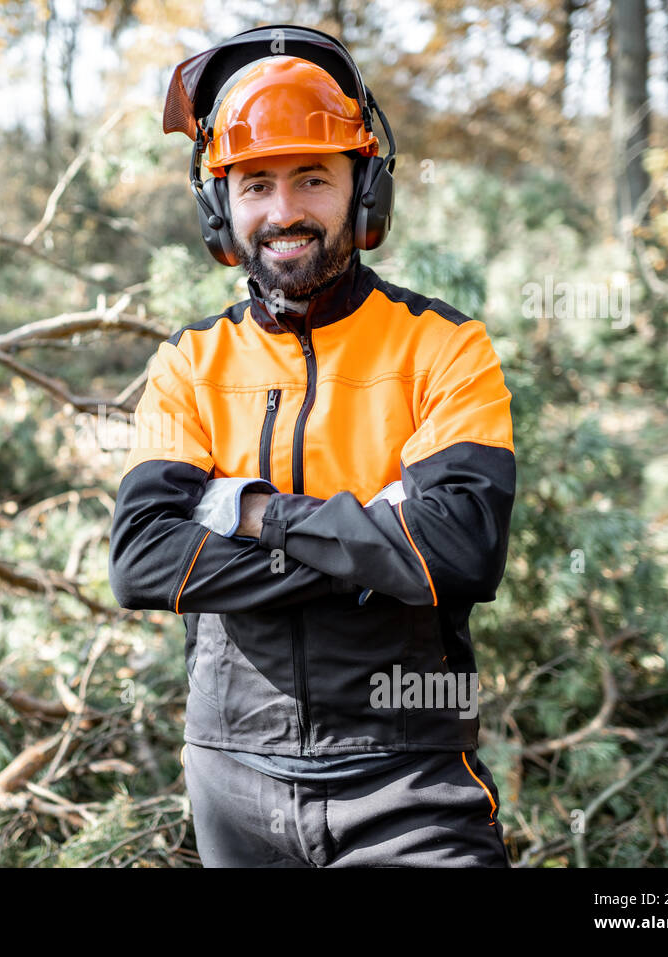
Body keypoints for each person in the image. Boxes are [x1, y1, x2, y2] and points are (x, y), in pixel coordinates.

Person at [108, 25, 516, 867]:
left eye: (312, 178)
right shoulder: (190, 365)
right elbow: (143, 562)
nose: (283, 210)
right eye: (256, 183)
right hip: (232, 778)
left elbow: (462, 553)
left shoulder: (444, 347)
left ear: (363, 191)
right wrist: (376, 537)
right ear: (220, 206)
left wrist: (247, 509)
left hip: (410, 777)